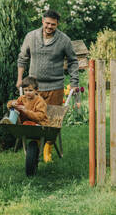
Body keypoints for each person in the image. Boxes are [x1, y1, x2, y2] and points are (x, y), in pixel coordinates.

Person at [16, 9, 79, 162]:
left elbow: (73, 61)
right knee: (34, 117)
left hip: (55, 87)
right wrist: (19, 79)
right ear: (42, 21)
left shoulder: (64, 40)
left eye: (53, 24)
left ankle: (48, 148)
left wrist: (74, 83)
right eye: (47, 23)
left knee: (52, 121)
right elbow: (22, 58)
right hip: (34, 89)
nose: (49, 26)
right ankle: (35, 146)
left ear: (57, 24)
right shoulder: (31, 37)